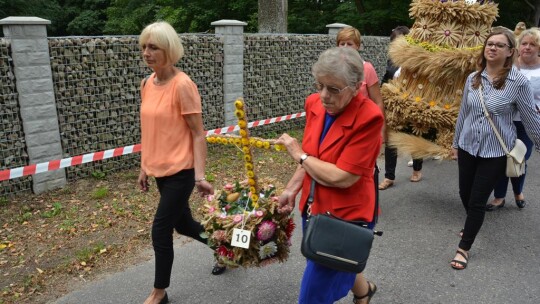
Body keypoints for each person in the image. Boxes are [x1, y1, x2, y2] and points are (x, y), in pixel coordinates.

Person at [276, 47, 383, 304]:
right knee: (327, 257)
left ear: (357, 87)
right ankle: (363, 291)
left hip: (345, 216)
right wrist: (291, 190)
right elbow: (313, 158)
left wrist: (299, 154)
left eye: (334, 89)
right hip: (314, 206)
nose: (324, 95)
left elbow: (343, 176)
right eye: (320, 85)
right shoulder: (314, 104)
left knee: (314, 292)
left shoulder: (369, 118)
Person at [137, 21, 214, 304]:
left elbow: (197, 134)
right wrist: (144, 165)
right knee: (184, 225)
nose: (146, 52)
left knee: (160, 229)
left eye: (153, 47)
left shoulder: (183, 85)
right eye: (144, 46)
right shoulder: (147, 83)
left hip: (182, 171)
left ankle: (159, 293)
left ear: (168, 50)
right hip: (160, 171)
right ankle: (227, 245)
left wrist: (199, 175)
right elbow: (150, 130)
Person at [450, 28, 540, 270]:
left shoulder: (518, 82)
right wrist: (455, 143)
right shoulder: (473, 78)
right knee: (465, 194)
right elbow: (463, 114)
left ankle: (464, 248)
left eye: (500, 45)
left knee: (478, 200)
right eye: (490, 44)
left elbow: (530, 118)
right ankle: (472, 222)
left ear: (510, 51)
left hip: (496, 151)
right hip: (468, 146)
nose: (492, 48)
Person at [487, 28, 540, 211]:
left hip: (527, 123)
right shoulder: (507, 66)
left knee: (520, 158)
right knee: (501, 158)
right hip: (504, 120)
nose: (527, 47)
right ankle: (499, 197)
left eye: (532, 44)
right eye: (524, 44)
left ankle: (518, 191)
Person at [377, 26, 424, 189]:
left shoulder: (417, 60)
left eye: (400, 41)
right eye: (394, 42)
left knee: (414, 136)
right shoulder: (391, 60)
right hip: (394, 106)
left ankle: (417, 169)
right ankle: (389, 176)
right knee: (391, 141)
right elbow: (386, 78)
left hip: (413, 104)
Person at [336, 26, 386, 137]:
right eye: (342, 44)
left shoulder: (367, 69)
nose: (345, 47)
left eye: (349, 44)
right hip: (339, 125)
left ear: (357, 46)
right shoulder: (333, 69)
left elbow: (377, 101)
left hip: (363, 125)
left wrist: (380, 129)